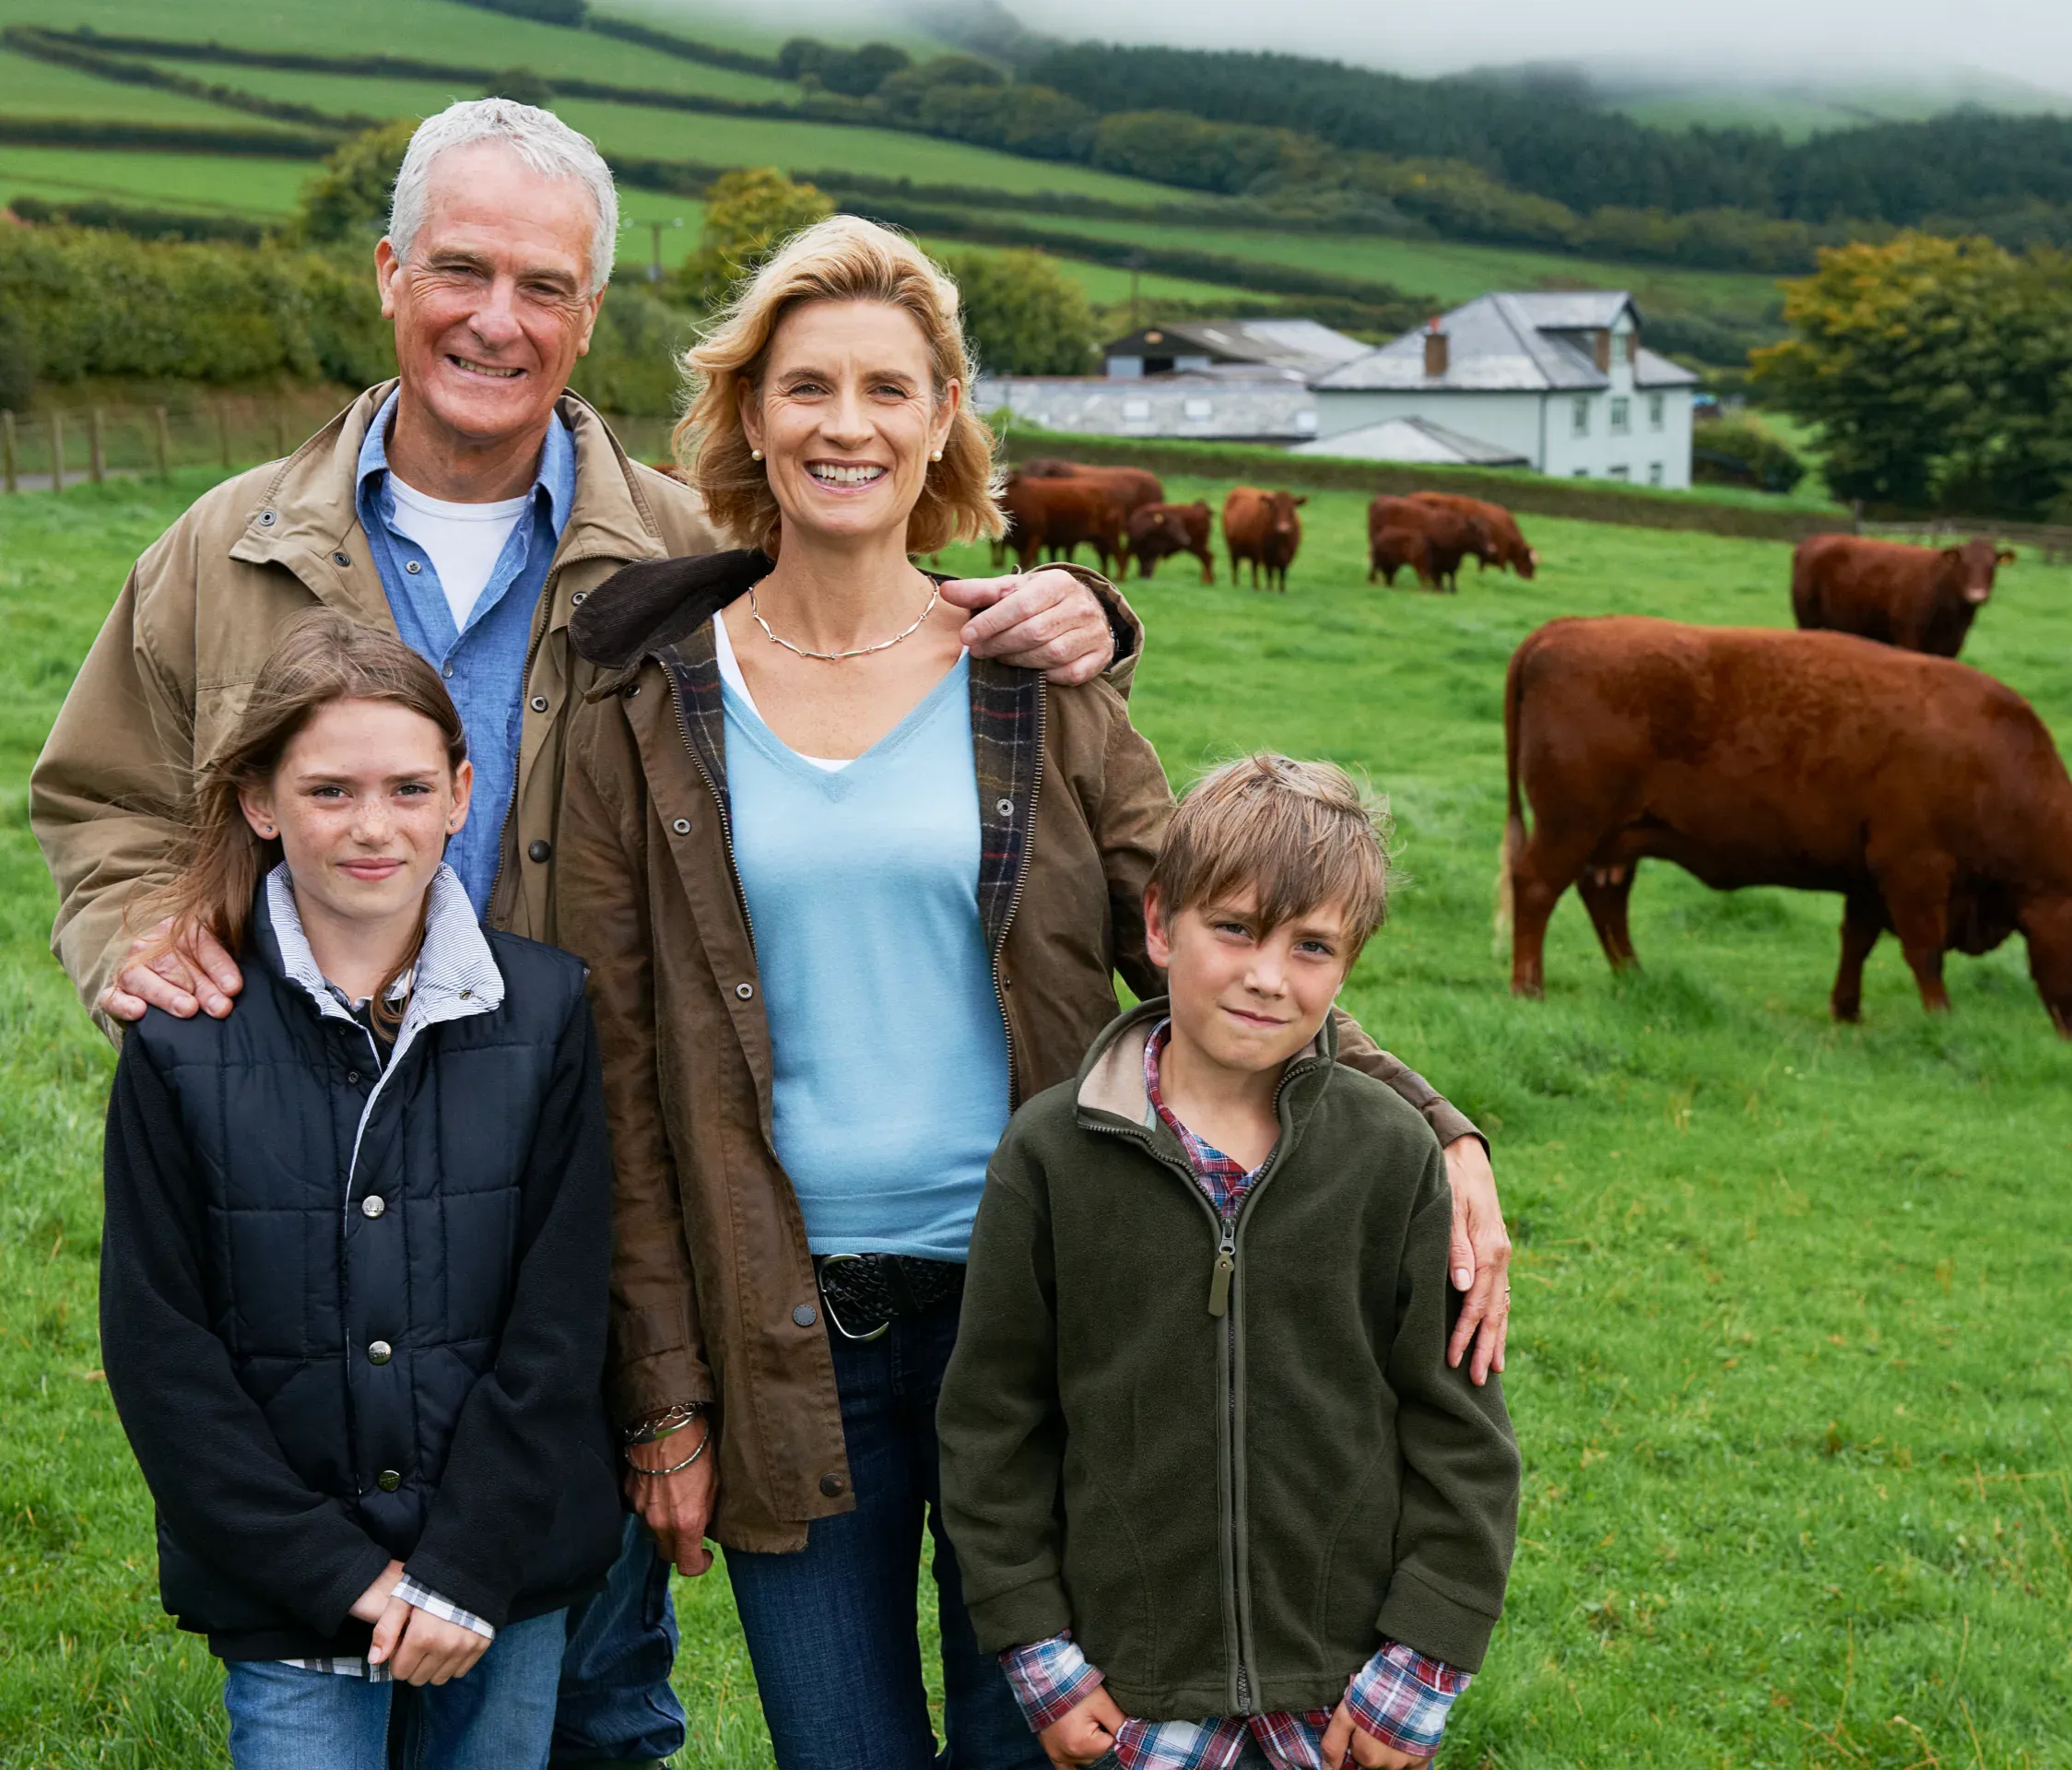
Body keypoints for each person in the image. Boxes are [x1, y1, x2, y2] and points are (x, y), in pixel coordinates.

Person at [29, 100, 1132, 1766]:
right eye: (459, 268)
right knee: (324, 1629)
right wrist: (135, 934)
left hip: (589, 1183)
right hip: (313, 1178)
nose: (497, 316)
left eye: (544, 284)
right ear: (391, 273)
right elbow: (102, 793)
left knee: (598, 1662)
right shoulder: (227, 549)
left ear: (591, 314)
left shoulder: (685, 550)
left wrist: (1092, 614)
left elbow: (874, 598)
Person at [555, 214, 1509, 1770]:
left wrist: (1430, 1119)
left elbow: (1206, 942)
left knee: (1049, 1750)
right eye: (805, 387)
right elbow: (621, 1069)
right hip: (790, 1332)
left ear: (943, 422)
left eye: (887, 388)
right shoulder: (655, 702)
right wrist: (662, 1393)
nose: (843, 425)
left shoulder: (1031, 677)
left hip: (1062, 1315)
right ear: (748, 416)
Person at [98, 611, 622, 1769]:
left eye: (406, 788)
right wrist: (342, 1574)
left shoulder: (544, 1013)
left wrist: (463, 1567)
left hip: (499, 1576)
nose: (373, 827)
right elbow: (160, 1348)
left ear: (460, 793)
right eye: (329, 792)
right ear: (260, 802)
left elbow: (561, 1320)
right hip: (288, 1593)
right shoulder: (182, 1037)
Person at [937, 756, 1521, 1770]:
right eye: (1236, 929)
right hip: (1131, 1696)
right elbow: (993, 1429)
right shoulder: (1050, 1157)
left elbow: (1462, 1437)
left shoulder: (1390, 1158)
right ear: (1160, 925)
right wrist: (1042, 1657)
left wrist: (1418, 1667)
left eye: (1311, 946)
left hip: (1345, 1702)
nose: (1266, 976)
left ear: (1346, 969)